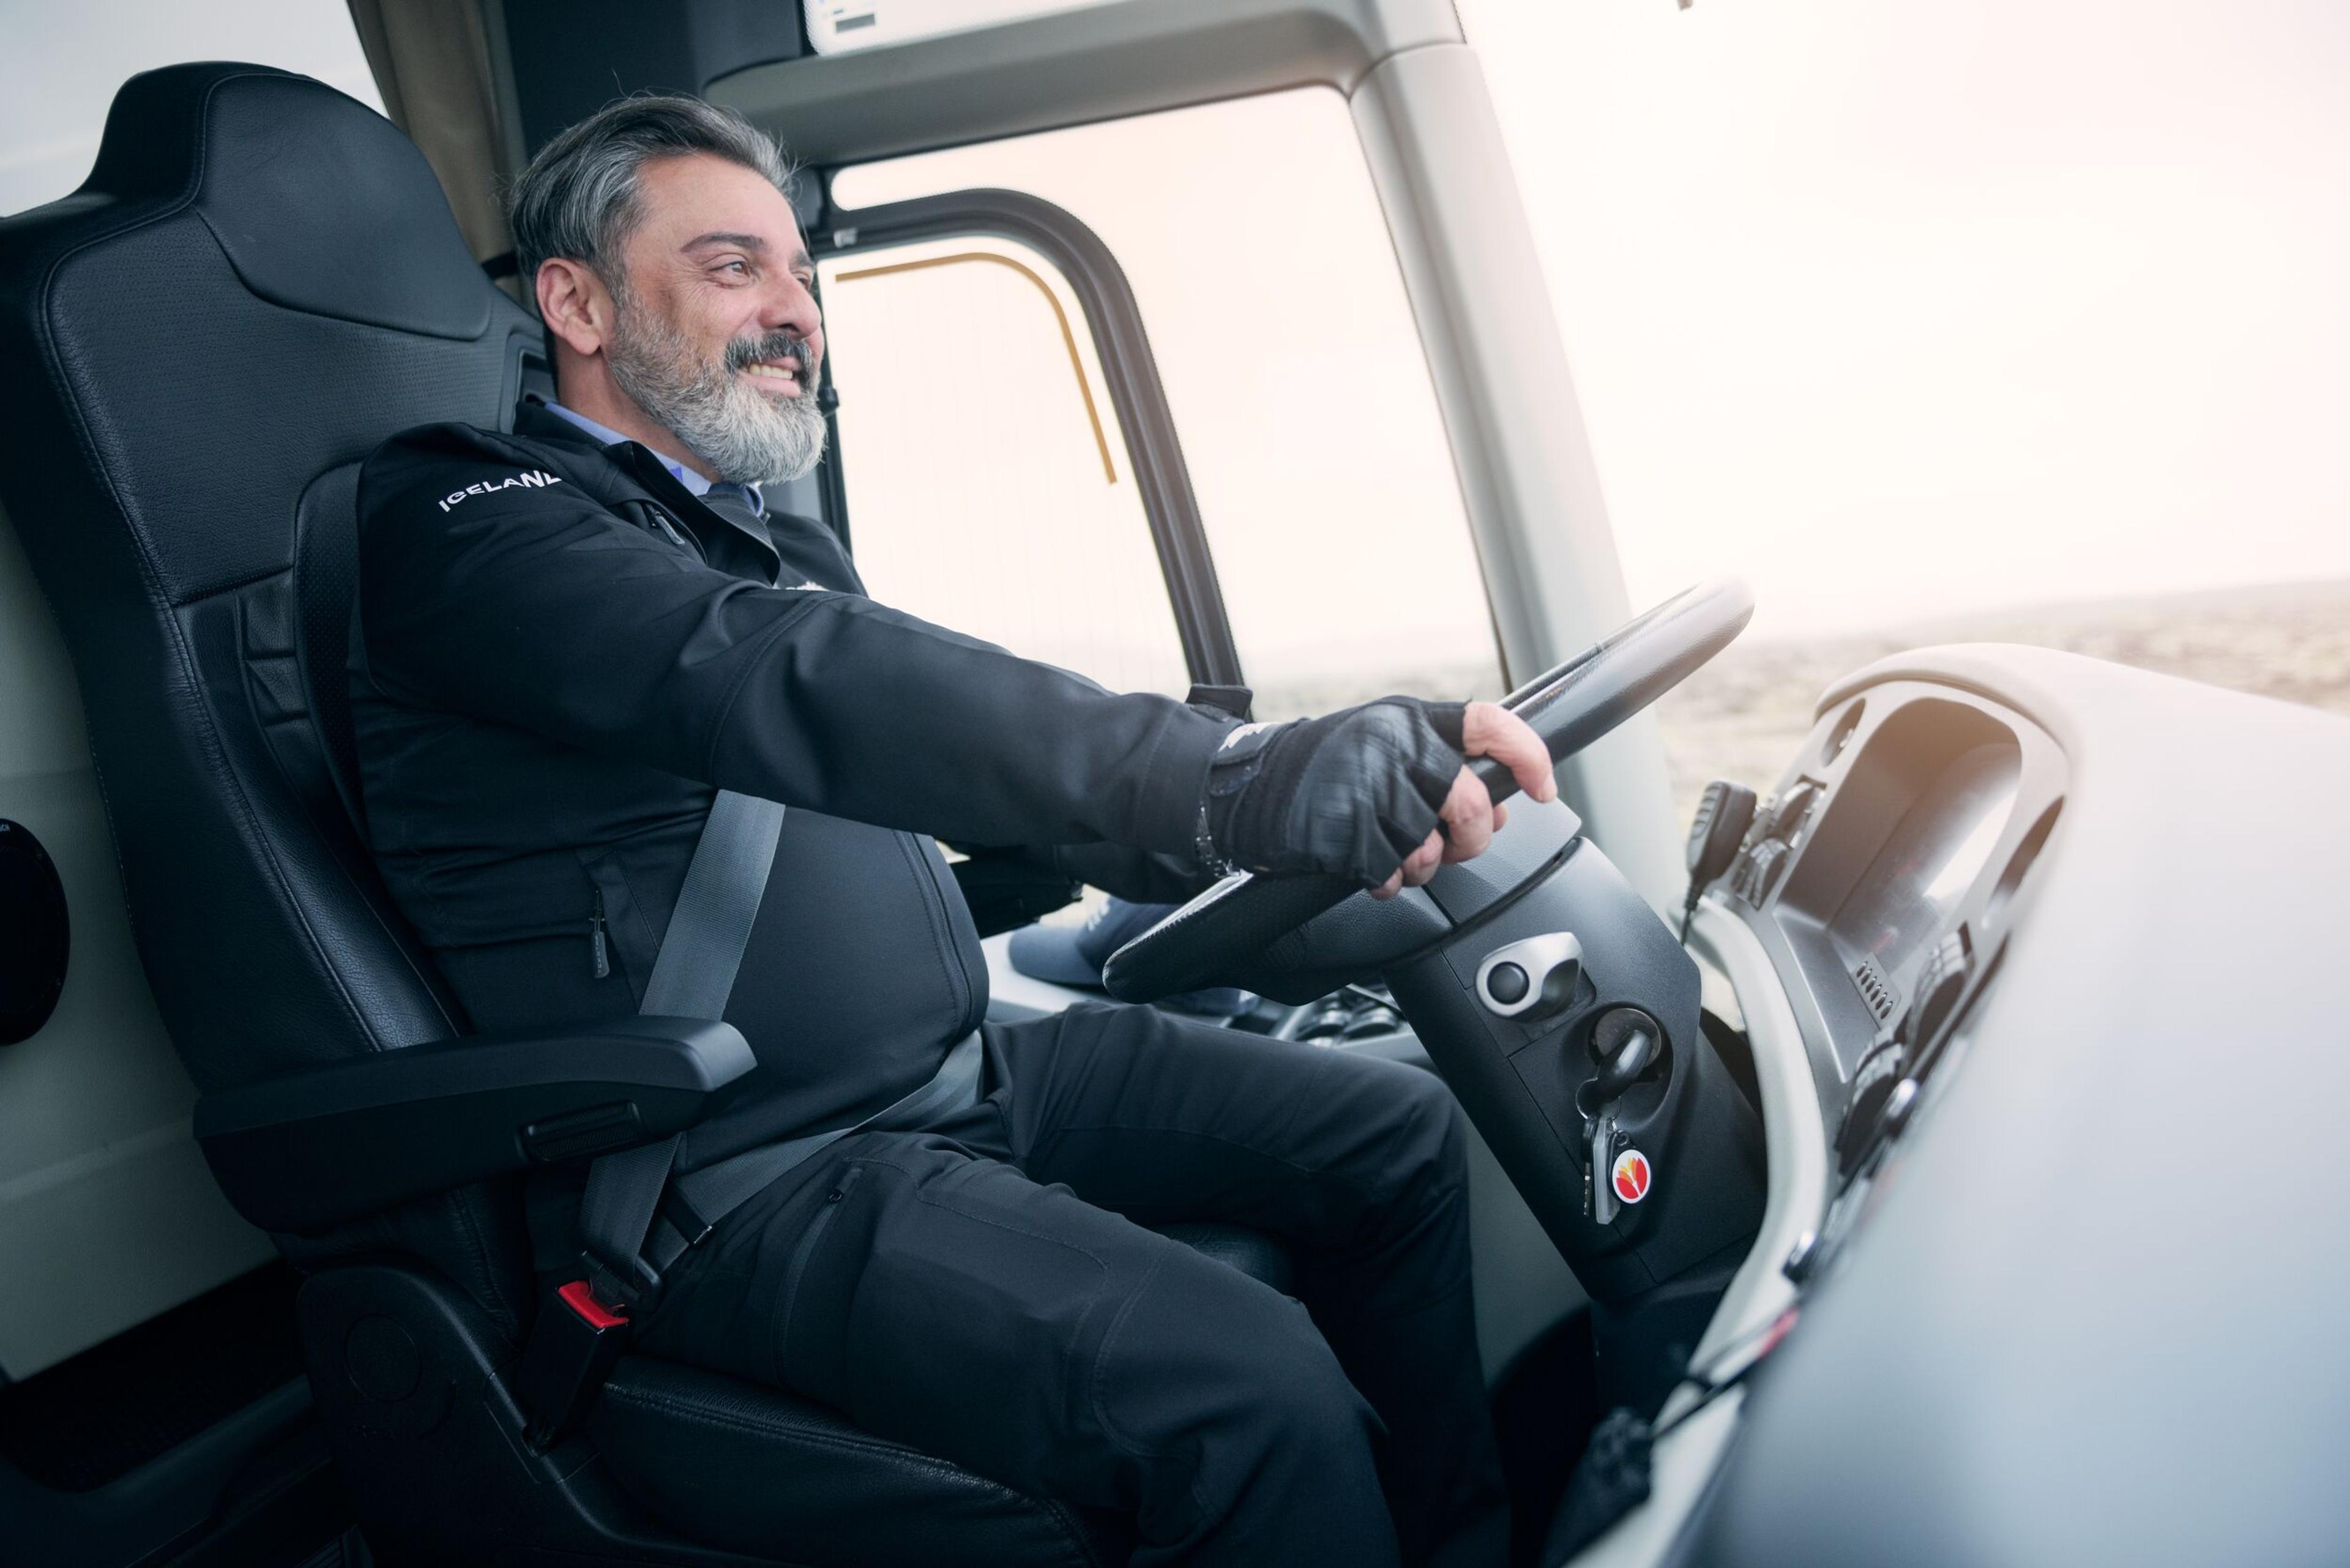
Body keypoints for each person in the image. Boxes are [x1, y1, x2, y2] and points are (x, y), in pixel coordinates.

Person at [351, 94, 1557, 1567]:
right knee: (1252, 1391)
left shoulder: (765, 534)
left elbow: (958, 743)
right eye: (736, 268)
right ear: (576, 302)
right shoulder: (467, 521)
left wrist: (1276, 821)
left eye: (802, 276)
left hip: (963, 1071)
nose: (795, 312)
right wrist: (1238, 773)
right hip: (741, 1174)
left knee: (1399, 1135)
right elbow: (798, 682)